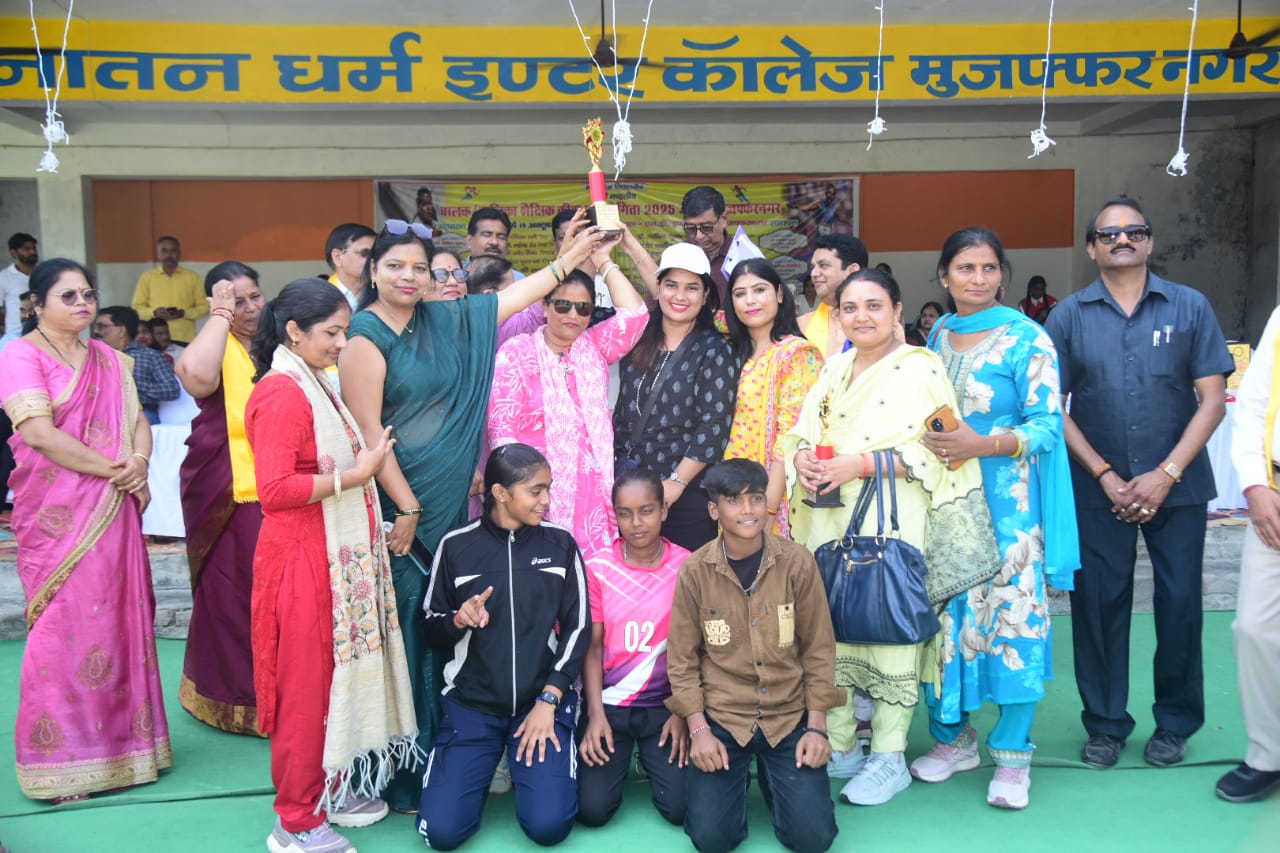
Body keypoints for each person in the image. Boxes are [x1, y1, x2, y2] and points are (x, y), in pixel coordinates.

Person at [340, 211, 609, 813]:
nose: (410, 277)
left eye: (420, 268)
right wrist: (407, 505)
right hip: (402, 509)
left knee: (449, 627)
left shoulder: (447, 317)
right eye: (396, 266)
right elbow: (370, 435)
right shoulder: (364, 336)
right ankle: (397, 768)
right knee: (406, 630)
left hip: (450, 504)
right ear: (372, 272)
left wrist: (571, 258)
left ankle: (448, 753)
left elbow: (516, 297)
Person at [785, 267, 998, 807]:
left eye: (874, 305)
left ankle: (888, 756)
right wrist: (803, 458)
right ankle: (840, 746)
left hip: (893, 520)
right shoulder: (835, 369)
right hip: (831, 520)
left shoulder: (921, 368)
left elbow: (943, 447)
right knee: (830, 631)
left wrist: (860, 464)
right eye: (850, 307)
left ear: (897, 311)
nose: (861, 317)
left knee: (890, 627)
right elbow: (803, 432)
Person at [1045, 196, 1233, 770]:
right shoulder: (1069, 316)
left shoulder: (1189, 306)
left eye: (1134, 231)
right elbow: (1051, 405)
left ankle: (1175, 723)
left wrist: (1165, 474)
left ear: (1150, 241)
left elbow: (1213, 400)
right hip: (1096, 489)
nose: (1121, 239)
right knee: (1098, 607)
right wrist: (1103, 473)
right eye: (1109, 234)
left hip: (1179, 487)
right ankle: (1105, 725)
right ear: (1091, 248)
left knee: (1180, 604)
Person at [246, 279, 415, 853]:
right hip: (302, 563)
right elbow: (274, 490)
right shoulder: (283, 392)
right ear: (294, 331)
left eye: (345, 331)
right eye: (332, 333)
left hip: (328, 558)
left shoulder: (316, 381)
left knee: (333, 683)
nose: (342, 343)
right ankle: (295, 823)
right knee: (306, 694)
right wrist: (357, 476)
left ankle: (331, 790)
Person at [915, 228, 1079, 809]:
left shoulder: (1027, 338)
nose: (978, 278)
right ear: (944, 276)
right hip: (946, 504)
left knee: (1011, 620)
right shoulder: (939, 334)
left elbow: (1048, 426)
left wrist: (982, 445)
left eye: (988, 268)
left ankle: (1012, 755)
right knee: (945, 620)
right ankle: (953, 739)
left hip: (1009, 508)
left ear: (1002, 276)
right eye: (965, 267)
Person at [0, 258, 171, 801]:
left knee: (118, 621)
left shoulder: (111, 360)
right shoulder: (21, 354)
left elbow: (137, 420)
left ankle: (127, 750)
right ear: (37, 305)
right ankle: (59, 762)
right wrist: (117, 470)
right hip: (59, 516)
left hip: (112, 510)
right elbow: (39, 433)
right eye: (68, 295)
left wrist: (139, 461)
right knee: (61, 629)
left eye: (87, 294)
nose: (82, 303)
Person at [417, 443, 590, 850]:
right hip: (472, 706)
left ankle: (516, 759)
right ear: (500, 493)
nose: (546, 500)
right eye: (536, 490)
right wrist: (458, 620)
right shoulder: (456, 545)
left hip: (539, 706)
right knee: (441, 833)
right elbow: (428, 627)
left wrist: (550, 698)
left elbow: (579, 627)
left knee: (549, 827)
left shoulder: (559, 543)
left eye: (548, 488)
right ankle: (492, 756)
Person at [667, 458, 844, 853]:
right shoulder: (695, 571)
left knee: (813, 840)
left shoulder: (797, 562)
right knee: (712, 840)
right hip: (723, 719)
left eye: (756, 498)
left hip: (787, 716)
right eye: (734, 500)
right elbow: (682, 660)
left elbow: (819, 649)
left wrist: (816, 728)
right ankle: (749, 777)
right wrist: (698, 730)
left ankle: (773, 773)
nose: (747, 510)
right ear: (714, 510)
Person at [488, 248, 647, 552]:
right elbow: (501, 435)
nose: (573, 315)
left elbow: (636, 314)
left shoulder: (595, 348)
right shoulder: (517, 353)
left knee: (591, 572)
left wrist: (603, 260)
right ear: (544, 306)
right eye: (563, 305)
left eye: (583, 308)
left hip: (592, 498)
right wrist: (515, 497)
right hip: (534, 496)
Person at [173, 261, 267, 735]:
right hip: (228, 487)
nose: (249, 309)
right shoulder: (217, 339)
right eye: (237, 300)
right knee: (232, 591)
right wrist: (221, 315)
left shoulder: (281, 338)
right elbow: (196, 377)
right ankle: (233, 697)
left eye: (254, 297)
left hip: (287, 483)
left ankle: (283, 695)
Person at [578, 469, 691, 828]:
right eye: (625, 514)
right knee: (592, 811)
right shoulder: (597, 567)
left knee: (681, 809)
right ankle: (623, 753)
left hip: (664, 707)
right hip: (610, 706)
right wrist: (595, 715)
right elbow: (592, 647)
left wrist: (684, 713)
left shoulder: (687, 566)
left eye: (646, 511)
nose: (636, 523)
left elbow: (695, 649)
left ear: (664, 511)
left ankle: (650, 760)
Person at [613, 242, 739, 553]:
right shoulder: (638, 337)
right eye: (671, 285)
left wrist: (677, 483)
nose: (680, 296)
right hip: (629, 489)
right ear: (658, 288)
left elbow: (713, 428)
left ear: (705, 294)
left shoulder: (715, 350)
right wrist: (608, 254)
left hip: (684, 495)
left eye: (691, 288)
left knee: (685, 575)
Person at [1219, 305, 1280, 803]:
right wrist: (1256, 486)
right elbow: (1253, 406)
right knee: (1255, 628)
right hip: (1274, 494)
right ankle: (1268, 754)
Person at [722, 257, 822, 537]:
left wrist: (766, 509)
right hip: (732, 493)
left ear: (779, 294)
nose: (750, 300)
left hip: (775, 498)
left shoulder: (797, 354)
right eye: (740, 294)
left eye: (759, 290)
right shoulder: (734, 353)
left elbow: (789, 439)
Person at [93, 305, 180, 426]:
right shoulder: (91, 355)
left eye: (102, 326)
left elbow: (172, 390)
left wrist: (133, 382)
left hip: (139, 412)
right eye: (97, 326)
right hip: (98, 411)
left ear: (122, 330)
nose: (96, 331)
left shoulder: (150, 356)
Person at [798, 233, 868, 358]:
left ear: (852, 271)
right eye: (813, 267)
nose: (813, 273)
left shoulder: (881, 325)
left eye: (823, 265)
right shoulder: (802, 326)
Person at [131, 236, 208, 342]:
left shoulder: (193, 277)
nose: (169, 255)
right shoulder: (147, 277)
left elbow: (205, 307)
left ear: (179, 253)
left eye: (173, 251)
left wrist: (185, 313)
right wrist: (154, 313)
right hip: (155, 339)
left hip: (184, 337)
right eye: (164, 251)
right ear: (158, 254)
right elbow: (136, 308)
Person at [680, 186, 731, 303]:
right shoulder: (677, 256)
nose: (699, 236)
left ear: (724, 219)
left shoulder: (743, 256)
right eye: (691, 228)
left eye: (707, 227)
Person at [324, 222, 377, 311]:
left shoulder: (386, 295)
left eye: (377, 253)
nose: (374, 259)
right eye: (365, 253)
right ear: (338, 257)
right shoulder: (319, 299)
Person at [465, 206, 523, 278]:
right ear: (469, 241)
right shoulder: (456, 276)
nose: (494, 242)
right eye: (487, 235)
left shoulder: (518, 279)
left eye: (501, 237)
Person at [1, 232, 38, 338]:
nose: (32, 252)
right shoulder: (4, 277)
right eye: (27, 249)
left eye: (34, 248)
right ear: (14, 253)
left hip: (42, 333)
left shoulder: (43, 273)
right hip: (16, 334)